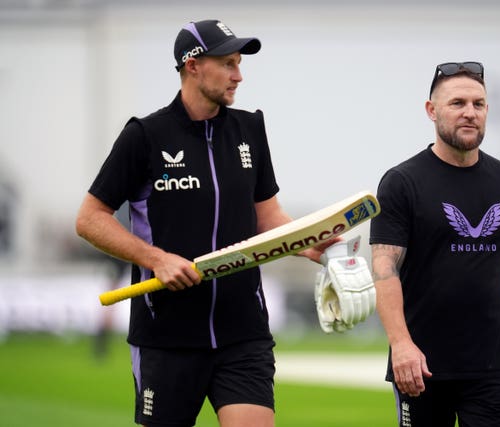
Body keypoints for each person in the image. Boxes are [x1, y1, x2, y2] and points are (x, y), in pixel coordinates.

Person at [76, 19, 332, 427]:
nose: (239, 75)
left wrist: (309, 242)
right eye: (228, 63)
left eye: (239, 64)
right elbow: (90, 219)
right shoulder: (145, 135)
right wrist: (155, 258)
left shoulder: (250, 130)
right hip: (167, 335)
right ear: (192, 65)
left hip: (243, 331)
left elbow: (269, 219)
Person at [369, 61, 500, 427]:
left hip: (493, 370)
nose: (470, 113)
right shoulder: (402, 183)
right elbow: (385, 268)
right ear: (431, 111)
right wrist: (401, 345)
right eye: (457, 103)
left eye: (478, 104)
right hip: (420, 368)